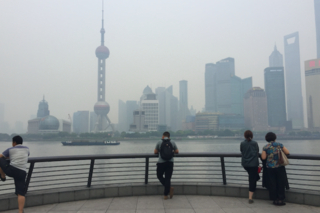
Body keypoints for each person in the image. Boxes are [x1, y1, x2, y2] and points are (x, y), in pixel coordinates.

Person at [0, 135, 30, 213]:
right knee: (21, 193)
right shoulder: (27, 149)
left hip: (11, 170)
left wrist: (8, 157)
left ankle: (3, 176)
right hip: (22, 172)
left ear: (14, 142)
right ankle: (20, 211)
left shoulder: (10, 149)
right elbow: (27, 155)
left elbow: (1, 156)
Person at [261, 132, 290, 206]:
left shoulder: (266, 147)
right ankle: (280, 199)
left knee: (272, 183)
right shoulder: (279, 145)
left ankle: (274, 199)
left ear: (266, 139)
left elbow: (263, 157)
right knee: (280, 183)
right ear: (275, 138)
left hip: (270, 168)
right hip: (279, 167)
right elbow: (287, 152)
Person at [154, 131, 179, 200]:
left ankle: (169, 188)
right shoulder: (172, 142)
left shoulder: (159, 142)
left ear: (163, 136)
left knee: (159, 176)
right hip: (170, 162)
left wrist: (160, 151)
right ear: (169, 136)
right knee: (168, 178)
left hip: (161, 163)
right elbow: (177, 151)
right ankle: (165, 195)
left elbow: (155, 151)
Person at [240, 130, 260, 204]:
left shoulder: (242, 143)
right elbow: (257, 151)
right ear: (252, 136)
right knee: (252, 180)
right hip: (253, 164)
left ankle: (256, 177)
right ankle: (250, 198)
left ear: (245, 136)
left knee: (253, 176)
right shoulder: (254, 143)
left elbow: (241, 151)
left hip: (245, 164)